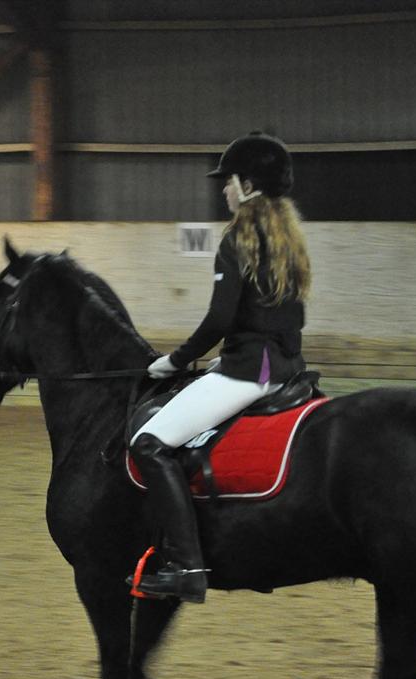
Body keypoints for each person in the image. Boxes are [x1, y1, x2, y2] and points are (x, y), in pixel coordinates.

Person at [130, 132, 311, 603]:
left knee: (148, 443)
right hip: (286, 366)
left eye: (227, 182)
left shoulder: (238, 240)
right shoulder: (290, 239)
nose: (223, 191)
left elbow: (219, 319)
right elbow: (283, 316)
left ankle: (186, 566)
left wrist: (176, 360)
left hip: (251, 374)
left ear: (247, 185)